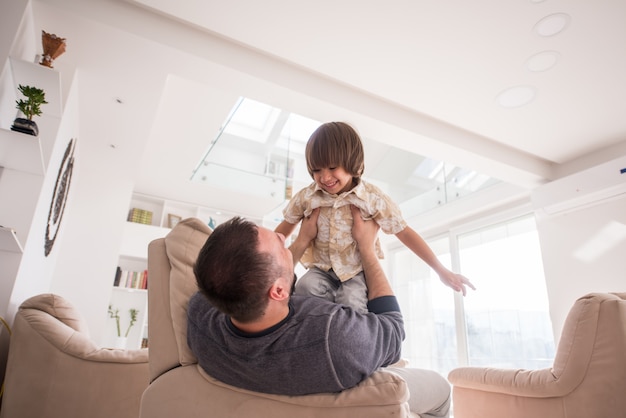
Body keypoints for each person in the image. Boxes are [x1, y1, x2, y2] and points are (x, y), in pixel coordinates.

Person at [188, 206, 451, 417]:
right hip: (356, 375)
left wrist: (302, 240)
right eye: (280, 245)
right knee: (443, 389)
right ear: (279, 292)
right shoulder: (333, 336)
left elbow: (255, 284)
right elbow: (393, 332)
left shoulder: (201, 317)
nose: (282, 235)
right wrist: (367, 250)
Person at [275, 121, 475, 312]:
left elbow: (404, 232)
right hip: (321, 269)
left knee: (351, 301)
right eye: (317, 170)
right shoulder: (307, 197)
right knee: (304, 287)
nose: (325, 177)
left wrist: (441, 270)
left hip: (355, 271)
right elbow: (279, 235)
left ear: (351, 163)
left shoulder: (372, 198)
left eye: (332, 168)